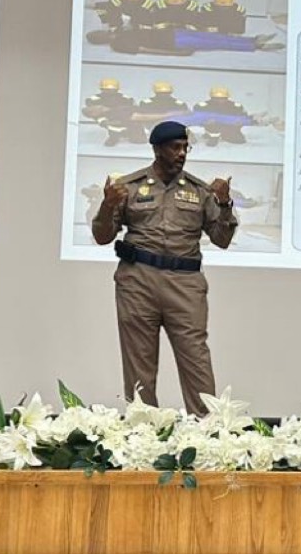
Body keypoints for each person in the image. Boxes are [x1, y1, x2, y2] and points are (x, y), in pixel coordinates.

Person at [91, 121, 237, 415]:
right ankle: (144, 428)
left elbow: (222, 239)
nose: (181, 153)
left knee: (195, 357)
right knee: (139, 360)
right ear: (157, 149)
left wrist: (224, 204)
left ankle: (207, 428)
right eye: (175, 147)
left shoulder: (200, 191)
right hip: (138, 280)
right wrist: (107, 206)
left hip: (184, 283)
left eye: (185, 148)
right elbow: (102, 236)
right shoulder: (129, 188)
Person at [81, 78, 147, 146]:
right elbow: (94, 113)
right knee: (114, 129)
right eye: (107, 90)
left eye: (112, 90)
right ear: (102, 89)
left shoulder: (125, 98)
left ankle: (130, 134)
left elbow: (133, 109)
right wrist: (103, 121)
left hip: (126, 119)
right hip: (110, 119)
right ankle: (114, 136)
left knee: (139, 139)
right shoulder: (94, 100)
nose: (110, 92)